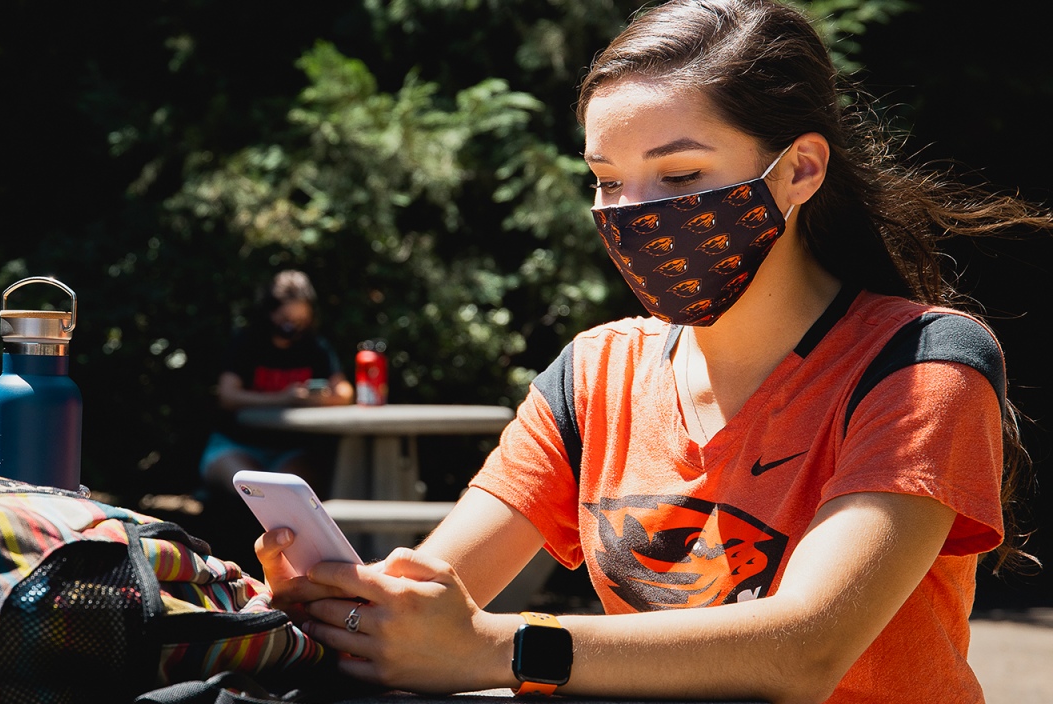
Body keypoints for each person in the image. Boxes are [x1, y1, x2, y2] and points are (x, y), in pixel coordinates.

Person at [252, 2, 1048, 702]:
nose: (633, 214)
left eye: (678, 174)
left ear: (800, 169)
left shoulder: (920, 363)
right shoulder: (593, 374)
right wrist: (343, 608)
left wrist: (500, 648)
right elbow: (440, 591)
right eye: (606, 181)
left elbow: (804, 652)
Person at [200, 270, 355, 497]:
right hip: (237, 443)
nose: (291, 326)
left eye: (299, 320)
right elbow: (228, 396)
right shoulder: (247, 343)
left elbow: (345, 393)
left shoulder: (315, 348)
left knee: (287, 495)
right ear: (269, 312)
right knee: (255, 492)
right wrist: (284, 398)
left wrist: (313, 397)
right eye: (285, 319)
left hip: (291, 450)